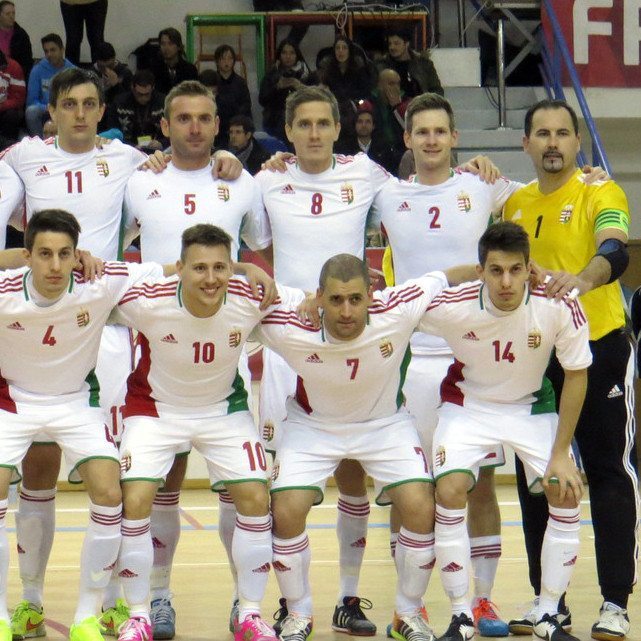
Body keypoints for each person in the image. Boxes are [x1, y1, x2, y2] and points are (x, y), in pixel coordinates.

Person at [0, 67, 243, 640]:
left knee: (114, 478)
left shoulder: (134, 162)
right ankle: (30, 600)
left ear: (102, 111)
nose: (80, 114)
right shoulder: (20, 160)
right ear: (50, 110)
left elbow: (181, 186)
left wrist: (225, 162)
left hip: (108, 329)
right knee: (36, 472)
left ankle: (113, 602)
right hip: (43, 323)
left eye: (90, 104)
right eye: (69, 104)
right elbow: (25, 235)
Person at [254, 253, 479, 641]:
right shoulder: (290, 324)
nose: (346, 311)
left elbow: (447, 273)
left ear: (371, 296)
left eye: (355, 299)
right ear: (319, 297)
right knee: (286, 510)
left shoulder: (398, 308)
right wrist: (245, 269)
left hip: (385, 425)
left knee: (421, 506)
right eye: (336, 299)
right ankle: (299, 612)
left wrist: (527, 277)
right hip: (313, 427)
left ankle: (407, 613)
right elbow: (233, 298)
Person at [123, 79, 272, 640]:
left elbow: (258, 247)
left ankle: (247, 605)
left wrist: (253, 273)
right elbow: (112, 246)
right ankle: (155, 600)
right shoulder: (141, 180)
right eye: (181, 118)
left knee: (243, 487)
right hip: (155, 349)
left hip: (219, 362)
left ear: (218, 125)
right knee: (158, 485)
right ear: (163, 125)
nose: (192, 128)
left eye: (203, 118)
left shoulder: (243, 181)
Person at [370, 92, 523, 637]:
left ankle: (482, 601)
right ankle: (408, 605)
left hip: (471, 359)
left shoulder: (483, 185)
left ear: (455, 138)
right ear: (407, 140)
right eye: (421, 132)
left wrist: (595, 174)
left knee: (477, 483)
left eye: (441, 131)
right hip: (409, 359)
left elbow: (544, 196)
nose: (431, 140)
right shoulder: (385, 193)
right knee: (406, 486)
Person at [503, 99, 639, 641]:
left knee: (608, 471)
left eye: (563, 133)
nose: (553, 142)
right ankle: (547, 602)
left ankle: (614, 602)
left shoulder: (600, 190)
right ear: (527, 144)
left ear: (578, 142)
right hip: (535, 357)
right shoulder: (513, 202)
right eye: (542, 133)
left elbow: (616, 247)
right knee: (537, 476)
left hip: (600, 345)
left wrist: (584, 278)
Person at [112, 224, 287, 641]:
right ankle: (140, 613)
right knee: (135, 498)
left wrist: (249, 269)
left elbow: (311, 303)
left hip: (222, 411)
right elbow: (96, 282)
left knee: (256, 497)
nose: (210, 279)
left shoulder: (251, 298)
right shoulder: (147, 300)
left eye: (220, 268)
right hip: (154, 410)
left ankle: (249, 612)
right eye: (200, 269)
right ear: (179, 269)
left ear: (232, 269)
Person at [0, 208, 167, 641]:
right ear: (28, 255)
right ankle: (8, 612)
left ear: (78, 256)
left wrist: (244, 268)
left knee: (111, 491)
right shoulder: (3, 289)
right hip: (13, 404)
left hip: (76, 402)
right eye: (44, 254)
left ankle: (87, 615)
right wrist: (8, 259)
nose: (55, 265)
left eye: (64, 254)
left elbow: (175, 271)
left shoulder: (99, 281)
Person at [420, 221, 590, 641]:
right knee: (450, 489)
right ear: (480, 271)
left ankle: (549, 612)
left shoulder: (558, 303)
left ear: (530, 268)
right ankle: (460, 615)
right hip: (468, 405)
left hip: (531, 407)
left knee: (564, 488)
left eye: (516, 269)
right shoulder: (452, 304)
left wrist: (560, 453)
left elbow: (577, 375)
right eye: (495, 270)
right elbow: (393, 312)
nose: (507, 281)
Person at [258, 38, 312, 144]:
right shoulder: (272, 73)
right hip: (275, 121)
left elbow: (315, 98)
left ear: (297, 55)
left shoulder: (306, 75)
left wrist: (299, 86)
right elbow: (262, 99)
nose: (288, 57)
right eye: (284, 53)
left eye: (292, 53)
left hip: (302, 119)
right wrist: (277, 87)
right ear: (279, 55)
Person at [25, 33, 75, 137]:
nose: (49, 54)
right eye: (46, 51)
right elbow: (31, 101)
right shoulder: (37, 70)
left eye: (53, 50)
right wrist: (48, 107)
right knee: (31, 111)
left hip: (67, 109)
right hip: (45, 110)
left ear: (62, 50)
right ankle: (40, 145)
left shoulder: (73, 71)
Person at [104, 69, 166, 151]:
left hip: (157, 149)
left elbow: (174, 133)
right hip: (126, 149)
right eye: (140, 94)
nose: (143, 98)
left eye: (147, 94)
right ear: (132, 88)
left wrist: (161, 143)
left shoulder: (163, 103)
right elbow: (112, 133)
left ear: (153, 88)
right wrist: (129, 147)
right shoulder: (119, 103)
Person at [376, 27, 443, 98]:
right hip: (393, 107)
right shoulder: (381, 66)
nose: (392, 47)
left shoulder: (424, 64)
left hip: (420, 106)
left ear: (406, 44)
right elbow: (376, 93)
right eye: (390, 44)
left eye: (396, 43)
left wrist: (427, 104)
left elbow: (437, 90)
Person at [369, 69, 410, 175]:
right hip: (377, 156)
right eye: (391, 84)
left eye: (398, 84)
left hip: (400, 154)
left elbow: (410, 128)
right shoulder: (370, 104)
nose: (396, 88)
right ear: (380, 85)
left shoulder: (406, 104)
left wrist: (398, 107)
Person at [317, 35, 373, 109]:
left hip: (355, 107)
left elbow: (365, 92)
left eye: (344, 48)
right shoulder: (328, 69)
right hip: (334, 107)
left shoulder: (359, 69)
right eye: (337, 48)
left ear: (350, 51)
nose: (340, 51)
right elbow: (324, 89)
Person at [213, 44, 251, 149]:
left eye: (230, 58)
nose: (226, 62)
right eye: (223, 58)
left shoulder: (240, 83)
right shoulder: (212, 81)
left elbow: (246, 106)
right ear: (217, 61)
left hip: (236, 126)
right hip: (217, 128)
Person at [150, 28, 197, 96]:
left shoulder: (190, 70)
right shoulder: (154, 69)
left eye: (170, 43)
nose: (166, 47)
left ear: (179, 46)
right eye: (163, 44)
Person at [59, 0, 108, 64]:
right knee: (73, 42)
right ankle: (70, 73)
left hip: (96, 2)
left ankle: (100, 73)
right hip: (69, 2)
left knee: (97, 41)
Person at [0, 0, 32, 81]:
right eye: (8, 14)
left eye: (13, 13)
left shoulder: (22, 36)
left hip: (15, 78)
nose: (12, 16)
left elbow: (27, 64)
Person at [93, 41, 132, 105]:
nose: (106, 69)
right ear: (97, 61)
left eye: (110, 66)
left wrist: (116, 85)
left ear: (114, 58)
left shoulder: (125, 73)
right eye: (102, 67)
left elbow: (129, 100)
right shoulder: (89, 74)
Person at [0, 49, 25, 146]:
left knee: (12, 115)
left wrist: (2, 106)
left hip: (6, 110)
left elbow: (19, 99)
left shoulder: (14, 66)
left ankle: (9, 148)